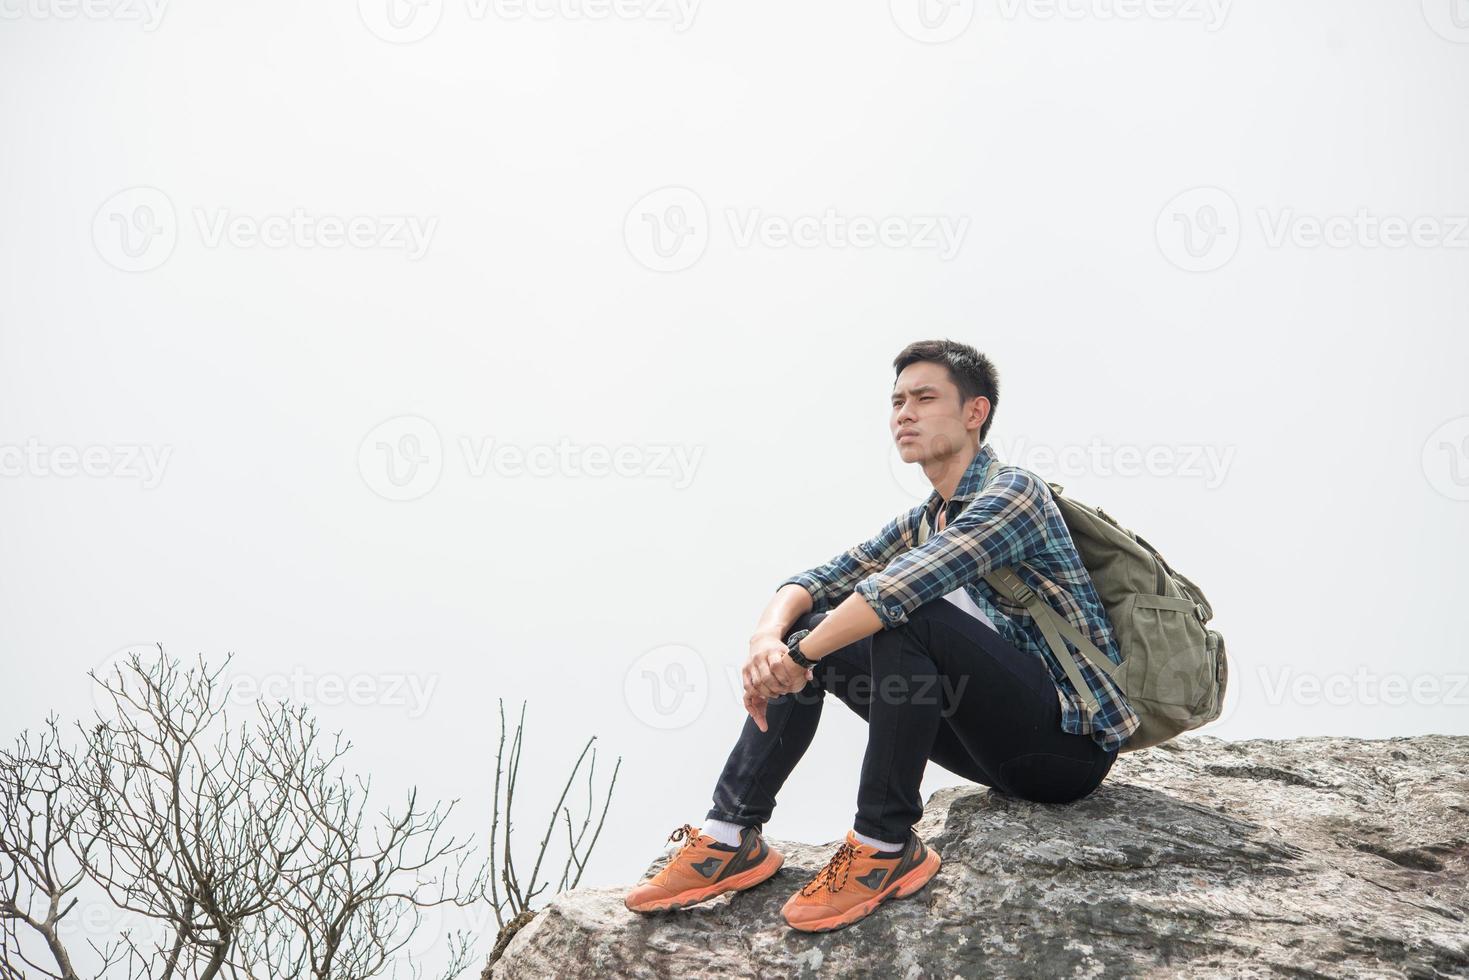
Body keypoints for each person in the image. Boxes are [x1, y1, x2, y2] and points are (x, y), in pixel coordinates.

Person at [624, 339, 1138, 933]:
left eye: (924, 398)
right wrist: (768, 644)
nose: (904, 414)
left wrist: (796, 659)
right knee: (819, 627)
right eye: (897, 402)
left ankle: (884, 844)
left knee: (902, 619)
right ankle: (729, 833)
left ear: (976, 413)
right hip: (990, 750)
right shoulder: (924, 519)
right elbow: (819, 581)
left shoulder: (1014, 494)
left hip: (1067, 750)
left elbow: (895, 592)